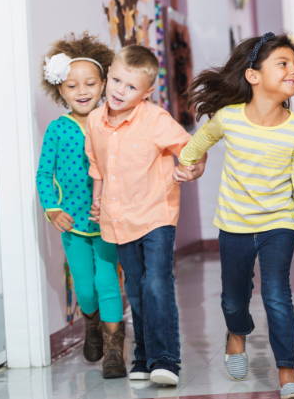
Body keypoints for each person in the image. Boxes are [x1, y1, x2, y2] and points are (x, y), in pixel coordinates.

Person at [177, 33, 294, 399]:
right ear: (253, 76)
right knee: (234, 299)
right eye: (283, 64)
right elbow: (198, 143)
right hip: (235, 223)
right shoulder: (229, 119)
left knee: (277, 295)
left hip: (278, 224)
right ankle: (236, 332)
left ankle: (288, 371)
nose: (293, 71)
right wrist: (189, 164)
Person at [86, 45, 205, 386]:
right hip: (118, 218)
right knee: (136, 289)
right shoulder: (95, 121)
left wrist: (191, 169)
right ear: (108, 75)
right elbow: (97, 166)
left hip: (156, 214)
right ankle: (142, 356)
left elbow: (191, 150)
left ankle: (166, 358)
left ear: (147, 92)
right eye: (117, 81)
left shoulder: (155, 120)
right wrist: (97, 199)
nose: (120, 91)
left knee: (156, 283)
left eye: (131, 87)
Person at [36, 33, 126, 378]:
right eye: (73, 85)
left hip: (109, 220)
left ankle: (115, 349)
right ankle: (91, 324)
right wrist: (53, 209)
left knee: (108, 283)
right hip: (72, 223)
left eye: (90, 83)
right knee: (85, 288)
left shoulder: (113, 122)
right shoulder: (58, 130)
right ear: (60, 90)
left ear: (103, 83)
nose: (82, 90)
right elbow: (45, 174)